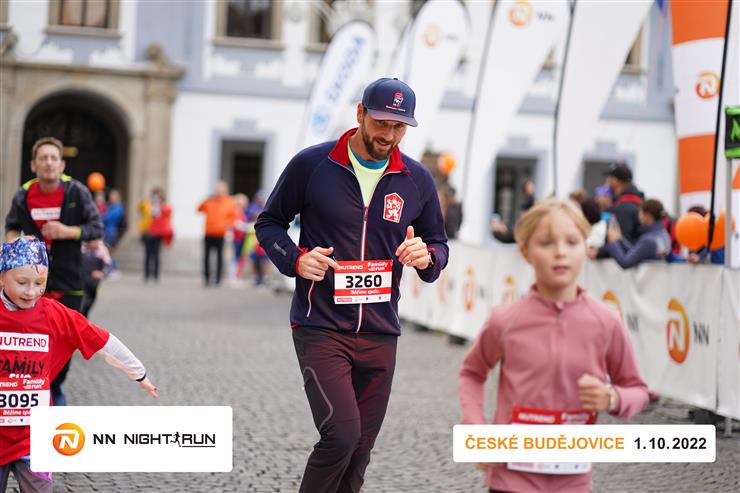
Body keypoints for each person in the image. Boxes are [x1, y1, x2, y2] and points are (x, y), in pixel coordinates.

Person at [255, 77, 448, 493]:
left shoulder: (416, 179)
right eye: (381, 123)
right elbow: (269, 222)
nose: (388, 135)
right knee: (340, 436)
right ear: (360, 114)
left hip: (381, 331)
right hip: (320, 326)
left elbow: (438, 243)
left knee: (360, 450)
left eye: (399, 127)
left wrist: (427, 256)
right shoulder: (313, 164)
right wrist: (295, 259)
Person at [459, 197, 648, 493]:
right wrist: (476, 428)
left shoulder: (606, 321)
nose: (560, 252)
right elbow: (472, 373)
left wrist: (612, 398)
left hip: (573, 483)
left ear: (585, 247)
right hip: (510, 481)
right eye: (546, 243)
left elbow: (637, 390)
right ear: (525, 252)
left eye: (572, 242)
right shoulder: (505, 319)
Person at [0, 237, 157, 493]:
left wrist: (139, 373)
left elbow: (102, 339)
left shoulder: (54, 314)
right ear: (2, 278)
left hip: (34, 436)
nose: (31, 291)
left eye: (39, 283)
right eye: (21, 282)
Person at [4, 136, 104, 406]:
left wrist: (66, 231)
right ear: (33, 165)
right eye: (43, 158)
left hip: (69, 282)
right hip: (31, 286)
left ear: (61, 164)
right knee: (30, 346)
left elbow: (96, 229)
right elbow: (11, 227)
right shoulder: (23, 194)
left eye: (53, 158)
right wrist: (19, 243)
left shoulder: (76, 192)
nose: (48, 163)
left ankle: (54, 392)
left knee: (63, 349)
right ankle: (36, 401)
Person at [605, 198, 671, 269]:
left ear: (646, 215)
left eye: (640, 211)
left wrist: (612, 242)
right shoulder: (663, 234)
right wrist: (620, 239)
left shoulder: (648, 240)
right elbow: (636, 252)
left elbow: (625, 262)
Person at [597, 163, 644, 257]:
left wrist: (598, 252)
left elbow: (619, 242)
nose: (607, 182)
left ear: (616, 181)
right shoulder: (637, 201)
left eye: (609, 178)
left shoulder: (624, 207)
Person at [197, 181, 237, 287]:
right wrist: (207, 199)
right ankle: (206, 278)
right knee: (206, 257)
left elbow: (233, 217)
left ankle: (218, 279)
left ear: (225, 191)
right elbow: (199, 208)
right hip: (208, 232)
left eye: (221, 190)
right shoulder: (210, 201)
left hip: (220, 234)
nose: (218, 192)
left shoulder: (229, 202)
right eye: (217, 190)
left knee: (220, 257)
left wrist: (226, 226)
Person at [137, 188, 173, 282]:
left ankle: (156, 275)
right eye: (154, 195)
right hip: (147, 232)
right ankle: (146, 275)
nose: (156, 198)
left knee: (156, 254)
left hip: (158, 233)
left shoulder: (164, 206)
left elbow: (168, 215)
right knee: (147, 254)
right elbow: (139, 208)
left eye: (158, 196)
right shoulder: (147, 205)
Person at [80, 239, 112, 317]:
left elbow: (108, 265)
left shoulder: (102, 250)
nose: (94, 243)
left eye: (96, 241)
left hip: (93, 283)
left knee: (89, 304)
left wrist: (102, 273)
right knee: (82, 304)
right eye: (91, 241)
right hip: (81, 282)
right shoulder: (82, 248)